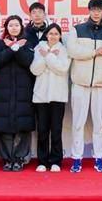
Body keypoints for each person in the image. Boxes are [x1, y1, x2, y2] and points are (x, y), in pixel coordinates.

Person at [67, 0, 102, 173]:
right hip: (80, 83)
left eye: (100, 10)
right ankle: (76, 158)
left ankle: (99, 158)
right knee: (78, 122)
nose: (96, 13)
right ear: (89, 10)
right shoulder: (77, 29)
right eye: (93, 9)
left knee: (99, 123)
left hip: (101, 84)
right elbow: (72, 51)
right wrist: (94, 52)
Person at [0, 15, 36, 172]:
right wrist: (11, 48)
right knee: (3, 126)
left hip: (24, 90)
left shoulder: (27, 42)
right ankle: (7, 159)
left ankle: (19, 159)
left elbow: (29, 61)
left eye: (17, 25)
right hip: (2, 91)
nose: (14, 28)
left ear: (21, 27)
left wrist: (18, 48)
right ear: (6, 28)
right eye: (11, 25)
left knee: (23, 126)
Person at [30, 23, 71, 172]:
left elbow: (62, 69)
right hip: (41, 96)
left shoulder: (64, 50)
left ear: (60, 36)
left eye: (56, 34)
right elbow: (35, 70)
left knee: (56, 130)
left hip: (58, 96)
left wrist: (47, 56)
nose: (53, 36)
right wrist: (47, 57)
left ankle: (56, 161)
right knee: (42, 130)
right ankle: (42, 161)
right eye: (51, 33)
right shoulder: (38, 48)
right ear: (46, 35)